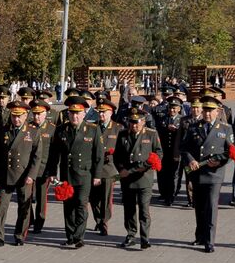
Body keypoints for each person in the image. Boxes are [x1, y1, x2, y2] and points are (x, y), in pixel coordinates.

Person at [180, 96, 235, 253]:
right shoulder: (193, 127)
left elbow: (231, 152)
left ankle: (209, 240)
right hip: (197, 173)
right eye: (205, 110)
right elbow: (184, 148)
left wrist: (219, 162)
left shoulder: (225, 128)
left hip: (214, 174)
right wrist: (190, 160)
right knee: (199, 206)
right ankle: (200, 235)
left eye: (210, 111)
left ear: (217, 112)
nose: (207, 114)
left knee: (211, 206)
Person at [46, 94, 101, 249]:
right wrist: (51, 173)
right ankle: (70, 236)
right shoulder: (61, 130)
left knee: (81, 205)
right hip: (67, 174)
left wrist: (97, 175)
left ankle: (79, 236)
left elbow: (98, 155)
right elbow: (54, 154)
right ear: (68, 114)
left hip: (85, 175)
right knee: (68, 206)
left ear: (83, 114)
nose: (75, 116)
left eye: (77, 113)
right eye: (72, 113)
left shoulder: (92, 130)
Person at [0, 98, 39, 246]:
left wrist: (31, 175)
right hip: (6, 174)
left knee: (24, 207)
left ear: (25, 116)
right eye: (13, 116)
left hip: (24, 175)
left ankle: (19, 235)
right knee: (2, 206)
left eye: (19, 116)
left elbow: (37, 156)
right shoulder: (4, 130)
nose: (16, 119)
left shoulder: (33, 131)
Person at [113, 107, 161, 250]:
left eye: (137, 122)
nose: (134, 125)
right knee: (129, 208)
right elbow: (117, 156)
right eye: (131, 122)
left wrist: (140, 167)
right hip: (127, 180)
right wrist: (121, 169)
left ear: (143, 121)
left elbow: (158, 154)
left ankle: (145, 238)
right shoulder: (122, 135)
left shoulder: (151, 134)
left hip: (144, 178)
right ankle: (131, 234)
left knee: (144, 209)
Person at [89, 98, 120, 236]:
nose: (101, 115)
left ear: (111, 112)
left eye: (104, 112)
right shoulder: (92, 127)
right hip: (93, 168)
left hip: (109, 168)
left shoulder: (118, 128)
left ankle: (104, 222)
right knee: (93, 197)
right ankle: (98, 219)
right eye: (99, 112)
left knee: (106, 198)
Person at [29, 97, 56, 232]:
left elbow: (54, 154)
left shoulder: (52, 129)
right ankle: (29, 219)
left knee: (41, 198)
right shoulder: (28, 127)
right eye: (34, 113)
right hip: (28, 170)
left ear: (46, 114)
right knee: (27, 196)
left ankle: (39, 222)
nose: (37, 116)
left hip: (44, 169)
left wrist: (52, 172)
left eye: (39, 113)